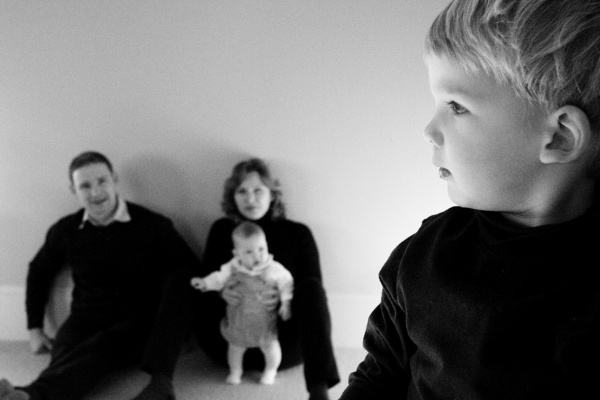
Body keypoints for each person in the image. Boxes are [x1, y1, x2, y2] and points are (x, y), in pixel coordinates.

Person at [340, 0, 600, 398]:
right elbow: (381, 371)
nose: (429, 129)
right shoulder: (423, 257)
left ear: (560, 136)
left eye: (457, 106)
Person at [134, 158, 340, 400]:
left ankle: (319, 390)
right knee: (183, 278)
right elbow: (209, 284)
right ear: (233, 196)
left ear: (272, 194)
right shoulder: (222, 230)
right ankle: (160, 383)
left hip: (282, 344)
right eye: (242, 191)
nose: (250, 199)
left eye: (257, 190)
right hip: (227, 340)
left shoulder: (298, 233)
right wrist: (222, 293)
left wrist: (283, 297)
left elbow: (313, 292)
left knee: (312, 288)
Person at [0, 151, 199, 400]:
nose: (95, 193)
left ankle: (30, 396)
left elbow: (190, 275)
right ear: (73, 189)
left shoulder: (152, 225)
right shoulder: (66, 230)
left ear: (114, 179)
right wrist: (34, 329)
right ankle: (29, 395)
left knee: (100, 348)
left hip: (136, 321)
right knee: (65, 352)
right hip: (86, 317)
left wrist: (182, 333)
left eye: (102, 181)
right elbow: (39, 271)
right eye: (85, 185)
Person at [190, 221, 294, 385]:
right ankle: (235, 371)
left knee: (271, 348)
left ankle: (270, 370)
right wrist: (204, 283)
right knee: (235, 348)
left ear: (266, 245)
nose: (258, 256)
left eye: (261, 249)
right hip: (239, 321)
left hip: (263, 323)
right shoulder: (231, 267)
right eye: (249, 252)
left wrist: (286, 302)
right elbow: (218, 278)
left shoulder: (273, 268)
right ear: (236, 254)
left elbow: (287, 283)